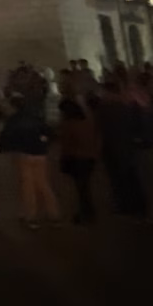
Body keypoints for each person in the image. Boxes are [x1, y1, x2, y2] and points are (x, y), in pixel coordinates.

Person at [0, 94, 59, 226]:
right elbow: (50, 133)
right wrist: (44, 142)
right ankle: (53, 213)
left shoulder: (14, 120)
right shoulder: (36, 117)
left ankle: (31, 216)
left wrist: (0, 147)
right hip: (40, 154)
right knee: (43, 183)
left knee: (27, 185)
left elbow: (6, 136)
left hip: (23, 154)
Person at [92, 74, 148, 218]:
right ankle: (139, 207)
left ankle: (125, 205)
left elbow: (99, 130)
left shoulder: (104, 108)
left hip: (112, 148)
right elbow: (139, 126)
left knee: (118, 179)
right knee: (132, 177)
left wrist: (98, 150)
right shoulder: (129, 106)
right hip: (127, 147)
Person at [56, 96, 100, 224]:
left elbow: (67, 146)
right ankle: (88, 212)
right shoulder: (88, 122)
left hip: (77, 158)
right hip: (90, 157)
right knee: (85, 187)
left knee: (82, 188)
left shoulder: (68, 125)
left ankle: (86, 214)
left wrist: (63, 159)